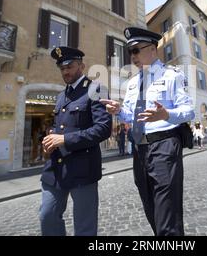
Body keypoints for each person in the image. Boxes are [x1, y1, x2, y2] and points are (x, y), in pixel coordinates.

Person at [100, 27, 195, 236]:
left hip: (164, 145)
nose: (132, 56)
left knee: (166, 213)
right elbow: (132, 116)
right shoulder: (133, 83)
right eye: (130, 52)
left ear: (152, 49)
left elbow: (189, 111)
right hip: (140, 150)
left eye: (136, 50)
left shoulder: (171, 75)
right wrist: (119, 111)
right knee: (151, 208)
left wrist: (166, 115)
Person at [39, 46, 112, 236]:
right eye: (62, 68)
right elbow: (60, 126)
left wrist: (64, 139)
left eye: (69, 66)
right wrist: (49, 139)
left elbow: (103, 129)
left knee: (84, 227)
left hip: (82, 169)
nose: (65, 72)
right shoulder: (62, 95)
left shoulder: (96, 89)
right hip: (55, 168)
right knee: (47, 215)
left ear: (81, 65)